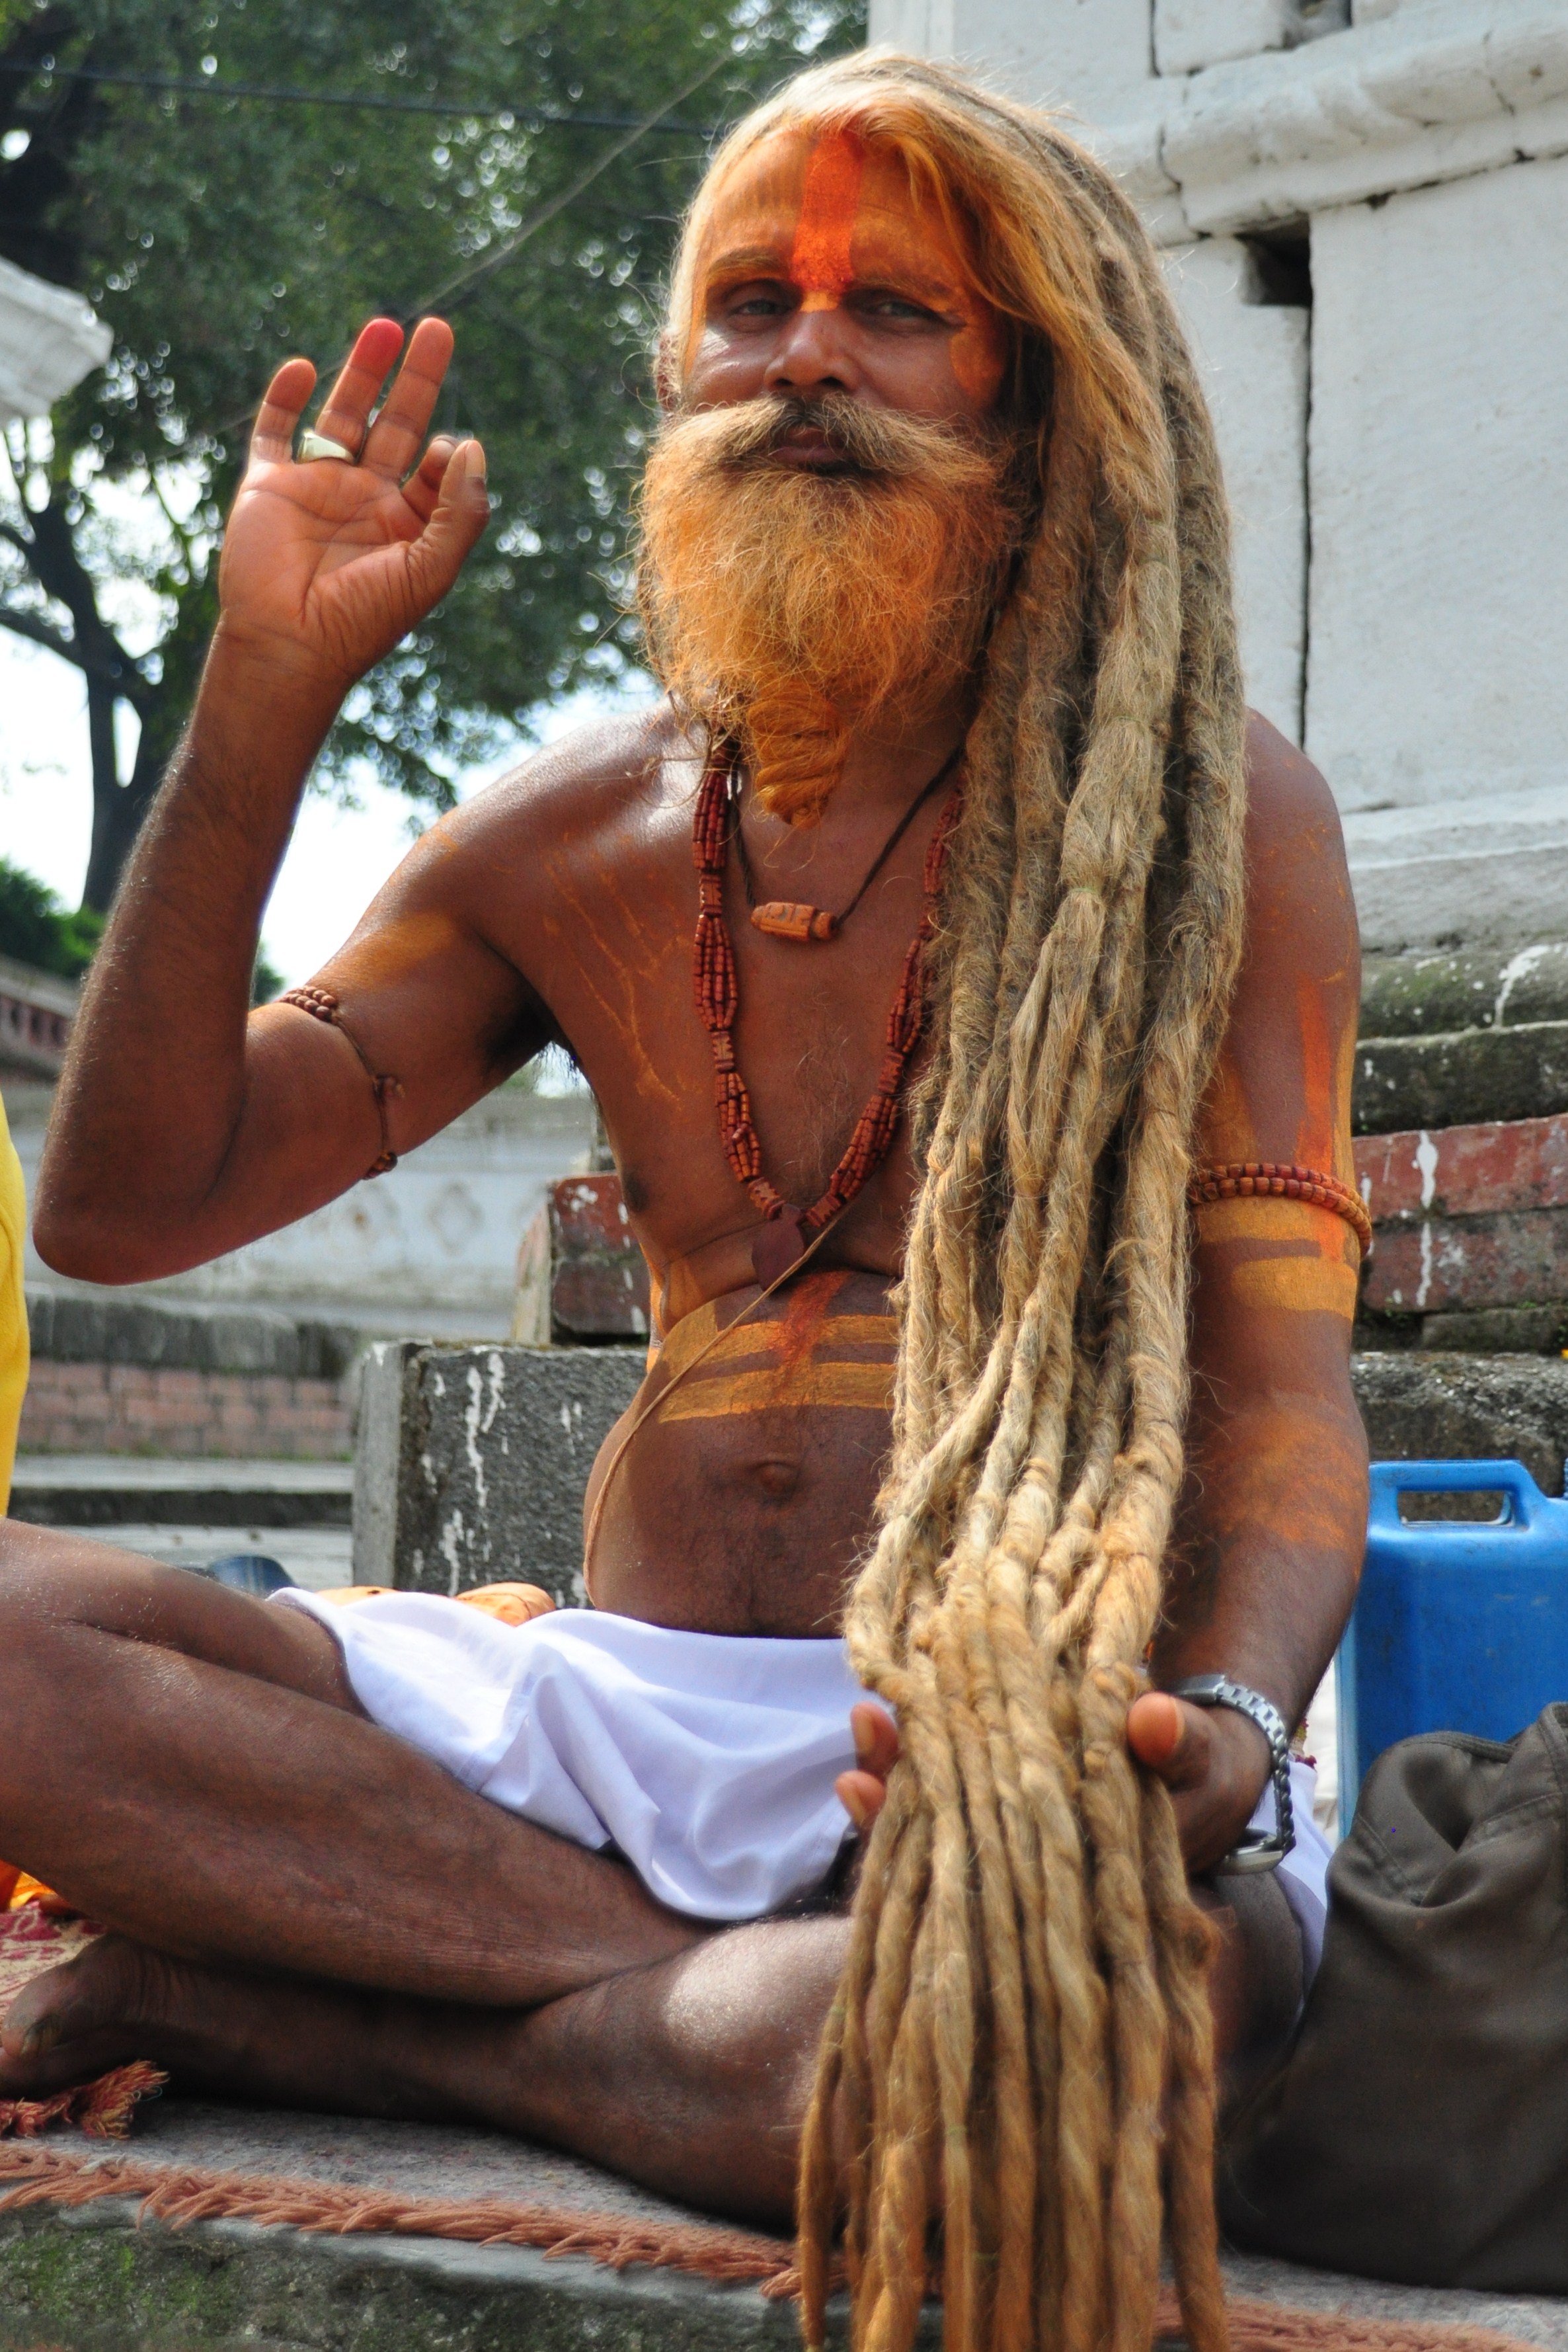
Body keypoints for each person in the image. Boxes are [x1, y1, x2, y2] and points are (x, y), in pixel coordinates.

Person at [0, 52, 1366, 2350]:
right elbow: (126, 1210)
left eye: (895, 312)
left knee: (972, 2082)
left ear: (1037, 397)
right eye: (752, 303)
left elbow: (1279, 1396)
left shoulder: (1211, 818)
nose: (807, 355)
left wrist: (1219, 1717)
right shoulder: (577, 835)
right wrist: (263, 694)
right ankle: (676, 2019)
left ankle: (315, 2000)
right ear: (671, 374)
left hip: (1005, 1750)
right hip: (585, 1726)